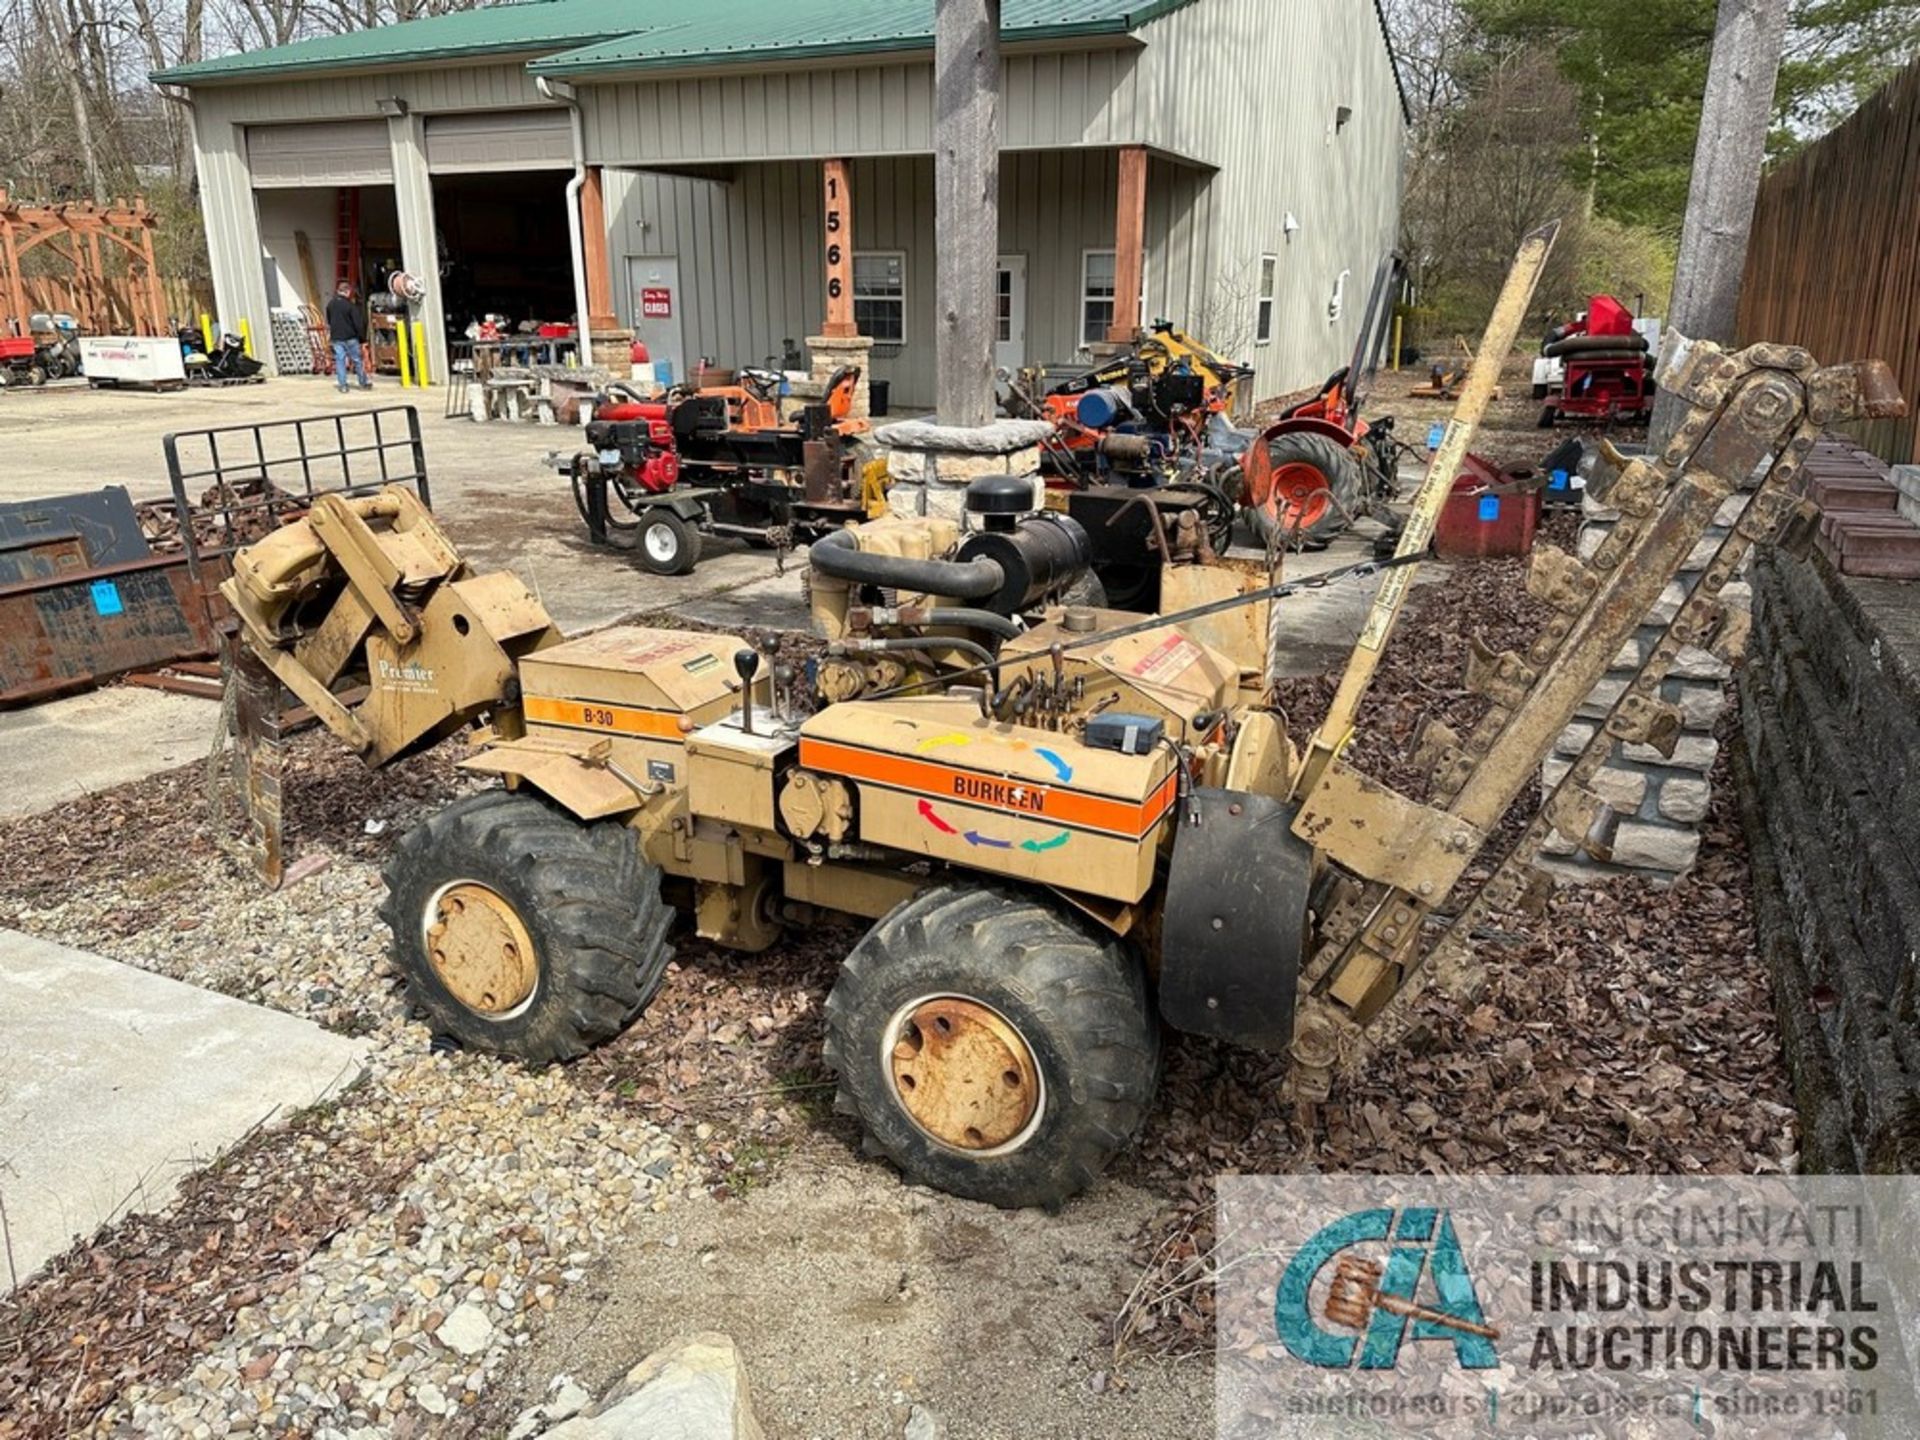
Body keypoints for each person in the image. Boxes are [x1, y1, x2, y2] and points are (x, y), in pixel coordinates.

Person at [325, 281, 372, 393]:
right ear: (347, 291)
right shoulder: (350, 306)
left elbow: (329, 320)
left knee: (340, 361)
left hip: (336, 338)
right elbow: (358, 323)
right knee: (357, 360)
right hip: (350, 338)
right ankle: (363, 382)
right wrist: (362, 339)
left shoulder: (330, 304)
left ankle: (343, 386)